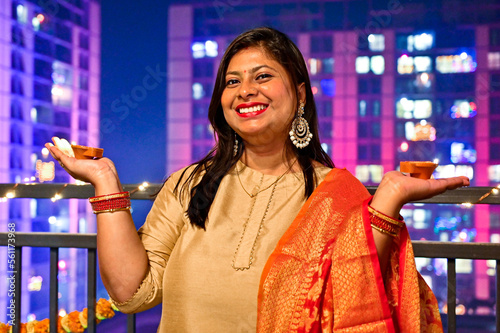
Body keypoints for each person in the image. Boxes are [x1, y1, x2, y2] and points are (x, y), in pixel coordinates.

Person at [46, 27, 469, 332]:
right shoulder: (190, 183)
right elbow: (132, 293)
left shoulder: (333, 193)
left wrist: (390, 197)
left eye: (263, 76)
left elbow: (350, 295)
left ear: (300, 95)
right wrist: (104, 182)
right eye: (233, 81)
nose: (245, 90)